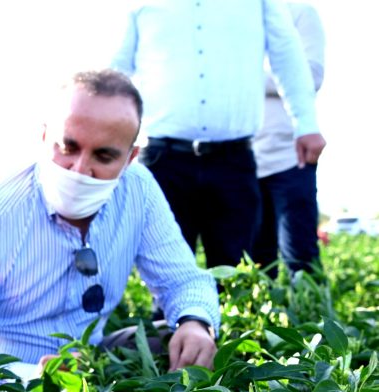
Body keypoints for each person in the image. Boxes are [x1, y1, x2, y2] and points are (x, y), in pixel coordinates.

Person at [0, 70, 219, 381]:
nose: (80, 170)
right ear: (43, 136)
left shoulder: (138, 190)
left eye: (103, 156)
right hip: (8, 373)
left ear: (130, 158)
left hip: (91, 359)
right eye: (68, 147)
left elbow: (184, 280)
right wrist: (36, 376)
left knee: (184, 342)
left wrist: (196, 322)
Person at [111, 0, 327, 269]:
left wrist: (305, 124)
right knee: (165, 271)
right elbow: (116, 69)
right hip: (163, 161)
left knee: (235, 272)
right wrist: (108, 137)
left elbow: (286, 56)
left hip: (233, 162)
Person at [252, 2, 325, 277]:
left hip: (290, 155)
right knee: (255, 262)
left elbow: (312, 75)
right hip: (246, 159)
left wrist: (245, 80)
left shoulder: (300, 12)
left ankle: (313, 319)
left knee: (300, 257)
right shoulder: (235, 19)